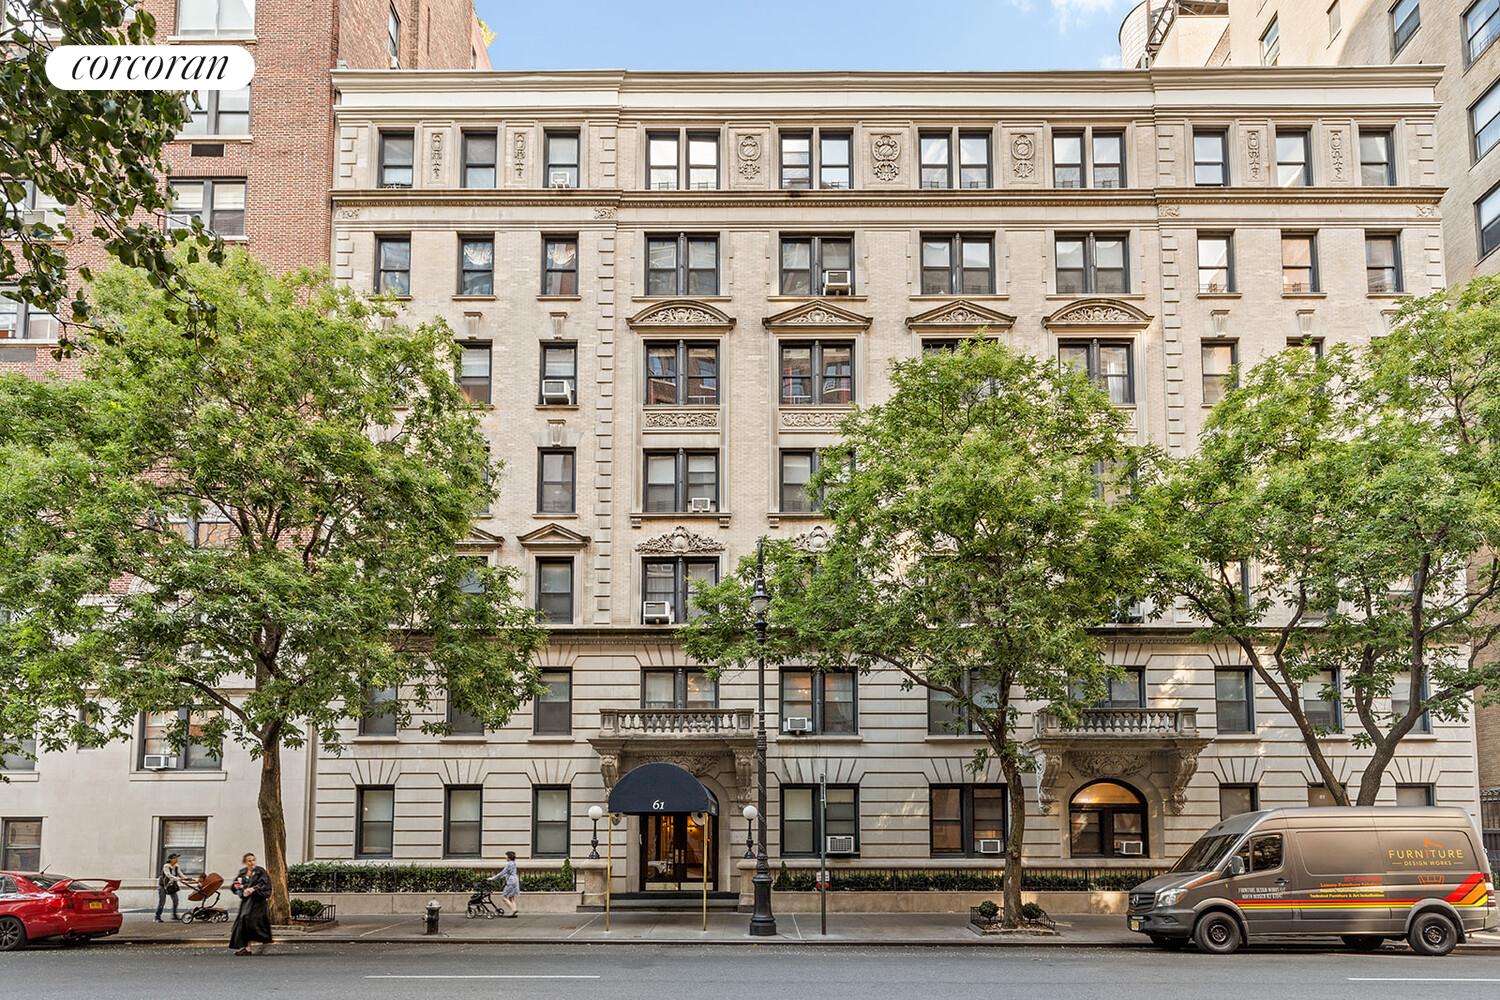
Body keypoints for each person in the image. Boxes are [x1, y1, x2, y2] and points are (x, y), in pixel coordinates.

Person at [228, 852, 274, 955]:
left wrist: (253, 889)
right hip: (247, 902)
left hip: (258, 902)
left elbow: (265, 884)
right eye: (249, 861)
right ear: (245, 862)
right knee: (243, 921)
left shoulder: (260, 871)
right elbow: (236, 885)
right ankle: (247, 948)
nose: (252, 862)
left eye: (253, 860)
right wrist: (236, 887)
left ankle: (265, 941)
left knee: (257, 922)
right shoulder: (242, 872)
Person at [155, 853, 196, 923]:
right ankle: (157, 917)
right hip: (163, 886)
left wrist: (187, 879)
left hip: (171, 886)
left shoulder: (177, 866)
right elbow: (168, 875)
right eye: (174, 858)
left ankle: (174, 915)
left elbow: (181, 874)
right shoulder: (166, 866)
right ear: (170, 859)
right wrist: (178, 879)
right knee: (162, 902)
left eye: (177, 858)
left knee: (175, 900)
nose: (176, 859)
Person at [489, 851, 520, 917]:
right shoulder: (514, 863)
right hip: (515, 880)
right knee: (512, 898)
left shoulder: (509, 864)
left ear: (509, 857)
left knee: (504, 897)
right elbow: (508, 873)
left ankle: (513, 910)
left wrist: (492, 878)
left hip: (511, 882)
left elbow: (502, 873)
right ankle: (514, 911)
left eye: (506, 856)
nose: (505, 857)